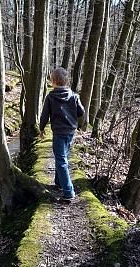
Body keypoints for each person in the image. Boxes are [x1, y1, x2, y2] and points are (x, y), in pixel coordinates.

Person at [39, 67, 85, 202]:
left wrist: (41, 129)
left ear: (53, 81)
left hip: (58, 132)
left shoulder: (51, 96)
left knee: (61, 160)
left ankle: (69, 191)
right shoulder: (74, 95)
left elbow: (44, 115)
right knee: (62, 157)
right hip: (71, 131)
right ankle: (59, 183)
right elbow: (81, 112)